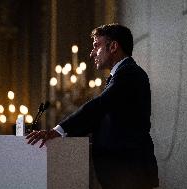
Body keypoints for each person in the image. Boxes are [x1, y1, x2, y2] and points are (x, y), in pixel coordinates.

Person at [27, 23, 159, 189]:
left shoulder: (129, 73)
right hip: (124, 171)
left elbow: (99, 106)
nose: (91, 53)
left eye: (96, 46)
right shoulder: (122, 74)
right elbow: (101, 118)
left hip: (129, 172)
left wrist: (57, 131)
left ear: (113, 46)